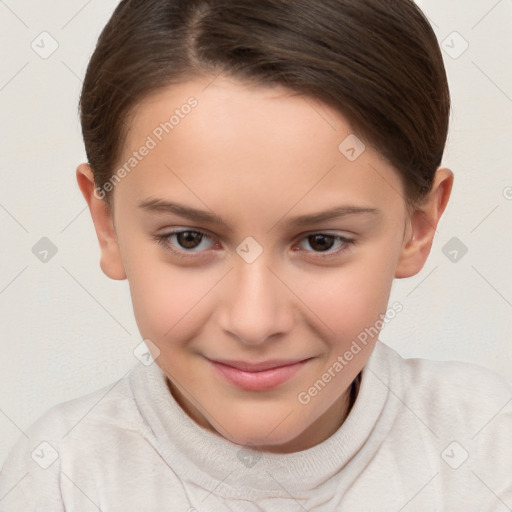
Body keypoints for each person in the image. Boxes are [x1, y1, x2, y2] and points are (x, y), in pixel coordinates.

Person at [1, 0, 510, 510]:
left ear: (416, 229)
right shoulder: (60, 480)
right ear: (107, 224)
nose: (253, 322)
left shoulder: (489, 450)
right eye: (189, 239)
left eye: (321, 242)